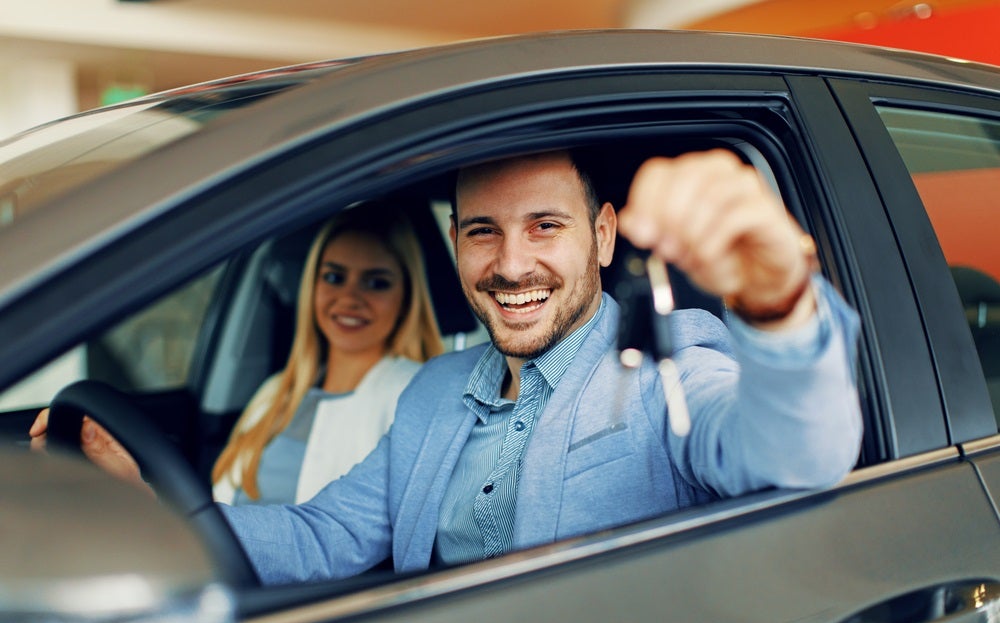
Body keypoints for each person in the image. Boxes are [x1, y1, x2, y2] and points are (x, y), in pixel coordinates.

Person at [217, 148, 862, 584]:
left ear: (603, 236)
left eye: (545, 226)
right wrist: (153, 525)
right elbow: (321, 535)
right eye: (482, 231)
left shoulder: (670, 362)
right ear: (455, 246)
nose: (512, 265)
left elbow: (797, 455)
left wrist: (779, 305)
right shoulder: (432, 392)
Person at [30, 199, 445, 506]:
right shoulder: (274, 392)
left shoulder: (412, 394)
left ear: (408, 297)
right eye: (333, 277)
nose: (349, 298)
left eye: (376, 282)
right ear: (311, 286)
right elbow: (218, 515)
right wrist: (129, 482)